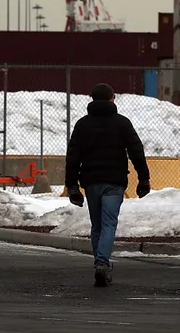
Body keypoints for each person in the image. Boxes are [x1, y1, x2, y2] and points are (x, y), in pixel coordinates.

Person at [65, 83, 152, 287]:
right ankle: (102, 263)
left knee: (97, 226)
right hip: (114, 181)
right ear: (112, 99)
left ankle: (100, 264)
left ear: (92, 99)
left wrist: (72, 186)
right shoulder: (122, 123)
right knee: (109, 223)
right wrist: (144, 178)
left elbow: (72, 157)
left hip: (91, 181)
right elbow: (136, 151)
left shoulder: (82, 124)